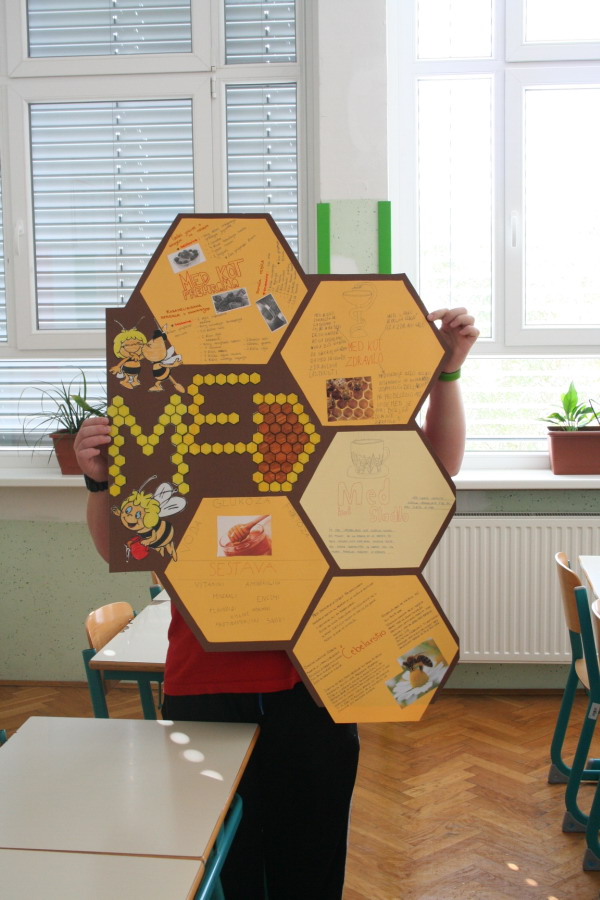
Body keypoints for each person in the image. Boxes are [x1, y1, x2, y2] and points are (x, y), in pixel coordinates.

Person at [74, 305, 478, 900]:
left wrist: (447, 371)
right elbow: (121, 546)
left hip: (313, 683)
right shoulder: (177, 415)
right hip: (205, 682)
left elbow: (437, 468)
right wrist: (98, 480)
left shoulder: (334, 402)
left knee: (310, 857)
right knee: (226, 858)